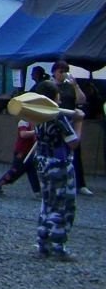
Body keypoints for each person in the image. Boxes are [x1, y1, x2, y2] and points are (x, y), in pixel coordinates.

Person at [32, 79, 83, 260]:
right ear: (53, 98)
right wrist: (78, 122)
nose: (60, 101)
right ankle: (58, 245)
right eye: (58, 97)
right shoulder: (57, 116)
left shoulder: (37, 115)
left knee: (47, 202)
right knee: (62, 204)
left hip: (41, 161)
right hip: (58, 162)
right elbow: (73, 142)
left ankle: (43, 244)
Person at [51, 61, 91, 196]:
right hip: (55, 121)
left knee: (75, 151)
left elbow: (81, 100)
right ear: (55, 72)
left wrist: (75, 86)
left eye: (65, 71)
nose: (62, 74)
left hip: (70, 121)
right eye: (60, 71)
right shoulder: (49, 86)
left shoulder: (70, 87)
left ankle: (81, 184)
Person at [0, 118, 39, 197]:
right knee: (15, 170)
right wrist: (36, 132)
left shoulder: (33, 123)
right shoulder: (23, 122)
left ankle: (37, 192)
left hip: (28, 152)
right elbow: (23, 134)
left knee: (32, 171)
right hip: (21, 152)